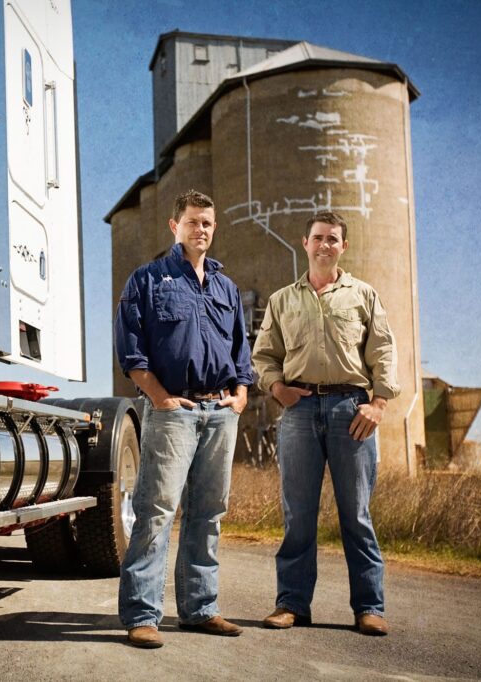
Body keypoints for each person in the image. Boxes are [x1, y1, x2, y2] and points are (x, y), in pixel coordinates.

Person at [113, 189, 253, 648]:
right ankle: (142, 614)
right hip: (174, 412)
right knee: (157, 510)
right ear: (175, 226)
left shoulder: (225, 287)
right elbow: (132, 354)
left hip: (220, 412)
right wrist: (162, 399)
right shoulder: (148, 280)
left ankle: (199, 608)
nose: (201, 230)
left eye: (208, 223)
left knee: (209, 512)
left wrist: (240, 394)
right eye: (193, 222)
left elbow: (240, 348)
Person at [252, 211, 399, 636]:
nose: (324, 246)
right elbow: (263, 356)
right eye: (318, 238)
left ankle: (369, 607)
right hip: (298, 411)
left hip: (351, 411)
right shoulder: (283, 300)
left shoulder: (363, 295)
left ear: (343, 246)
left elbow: (384, 351)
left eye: (332, 239)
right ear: (305, 243)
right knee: (298, 515)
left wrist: (380, 403)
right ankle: (291, 604)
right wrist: (276, 388)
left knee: (356, 513)